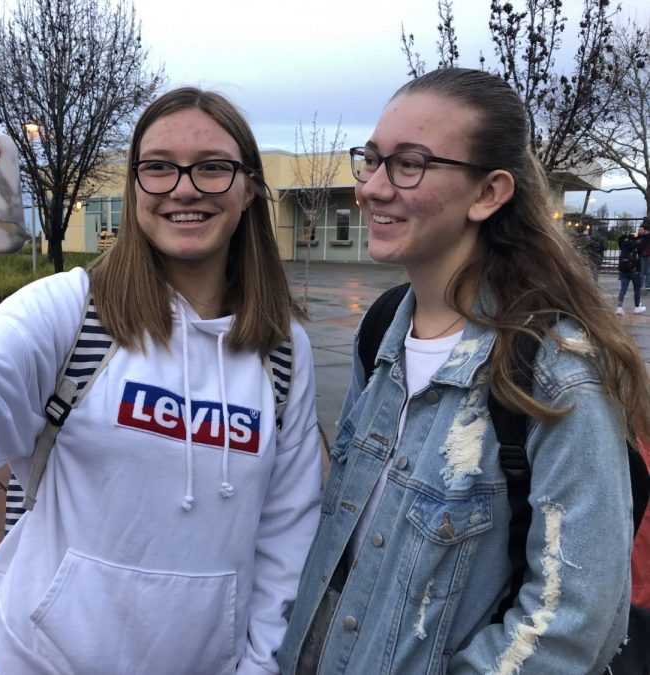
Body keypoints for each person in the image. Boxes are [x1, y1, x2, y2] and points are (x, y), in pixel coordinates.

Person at [0, 87, 323, 674]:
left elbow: (286, 537)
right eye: (158, 168)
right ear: (133, 186)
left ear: (250, 188)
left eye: (213, 168)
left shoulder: (283, 353)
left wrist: (257, 666)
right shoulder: (69, 312)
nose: (184, 187)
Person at [277, 67, 650, 673]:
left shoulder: (556, 374)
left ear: (489, 193)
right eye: (370, 159)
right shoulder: (381, 332)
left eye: (409, 164)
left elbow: (572, 627)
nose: (371, 188)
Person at [616, 230, 645, 315]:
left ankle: (619, 308)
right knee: (637, 289)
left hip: (624, 271)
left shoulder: (624, 245)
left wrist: (628, 235)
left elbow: (620, 238)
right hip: (635, 271)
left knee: (623, 289)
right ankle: (637, 307)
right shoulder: (638, 246)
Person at [640, 220, 650, 290]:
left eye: (642, 229)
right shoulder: (641, 236)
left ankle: (647, 285)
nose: (640, 230)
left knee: (648, 270)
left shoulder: (645, 236)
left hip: (647, 254)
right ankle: (641, 284)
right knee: (642, 270)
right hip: (643, 254)